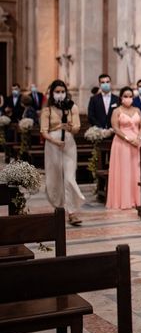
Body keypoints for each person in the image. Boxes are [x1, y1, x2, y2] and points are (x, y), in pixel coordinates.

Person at [40, 79, 84, 226]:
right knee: (55, 179)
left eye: (62, 92)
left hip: (69, 144)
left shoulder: (72, 107)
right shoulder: (48, 110)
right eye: (57, 92)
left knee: (69, 177)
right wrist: (55, 140)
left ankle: (72, 212)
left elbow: (77, 128)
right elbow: (43, 132)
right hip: (52, 145)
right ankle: (59, 208)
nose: (60, 94)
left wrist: (70, 127)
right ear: (52, 93)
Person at [106, 87, 141, 210]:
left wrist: (138, 138)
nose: (128, 99)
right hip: (122, 143)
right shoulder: (117, 111)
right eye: (126, 96)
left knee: (137, 171)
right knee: (124, 171)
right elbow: (116, 129)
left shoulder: (137, 110)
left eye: (130, 96)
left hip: (137, 143)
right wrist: (128, 139)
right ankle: (123, 200)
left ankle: (138, 198)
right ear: (121, 98)